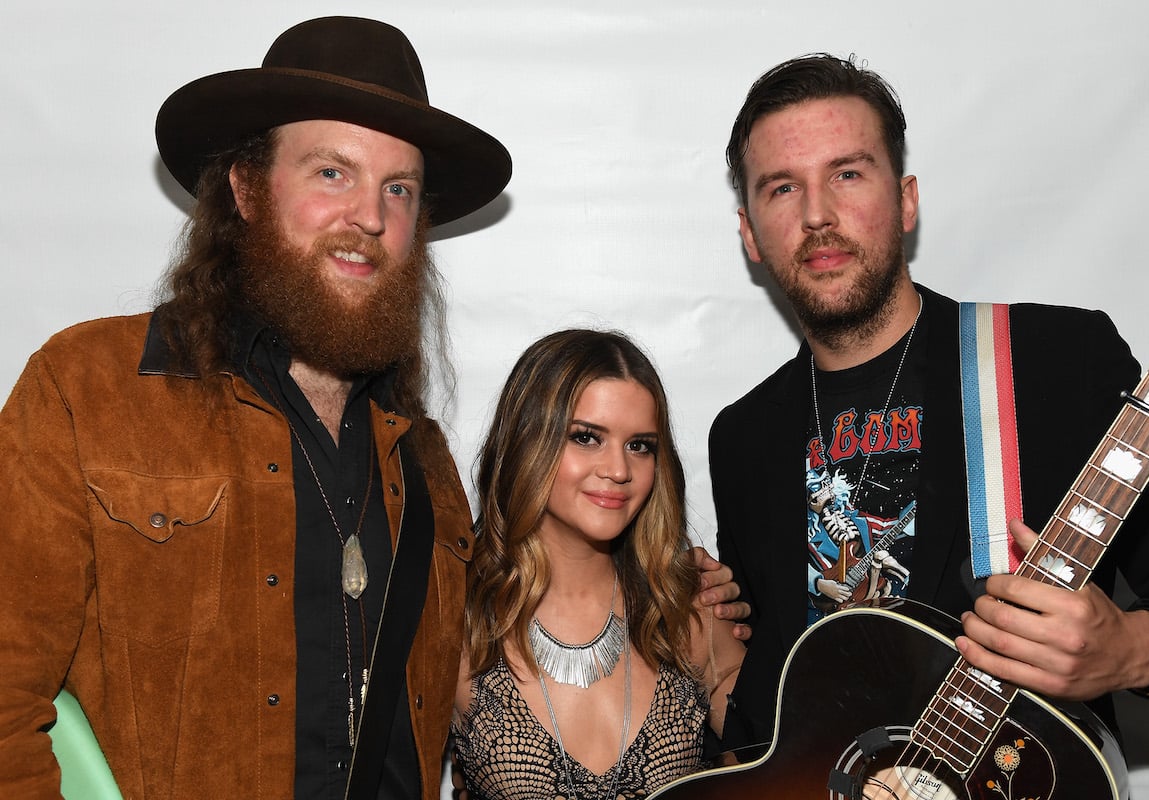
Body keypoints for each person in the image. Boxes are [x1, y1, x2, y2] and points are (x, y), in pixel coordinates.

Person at [0, 17, 747, 800]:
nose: (370, 216)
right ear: (247, 188)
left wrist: (667, 583)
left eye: (399, 189)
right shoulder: (90, 389)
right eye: (332, 173)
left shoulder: (422, 461)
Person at [709, 53, 1149, 756]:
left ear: (906, 200)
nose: (818, 215)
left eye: (848, 173)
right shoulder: (744, 437)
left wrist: (1138, 651)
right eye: (783, 188)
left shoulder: (1056, 358)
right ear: (751, 234)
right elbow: (774, 710)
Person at [451, 329, 744, 799]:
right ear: (528, 441)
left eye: (639, 445)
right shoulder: (458, 620)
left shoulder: (688, 611)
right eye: (587, 437)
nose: (619, 470)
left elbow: (780, 771)